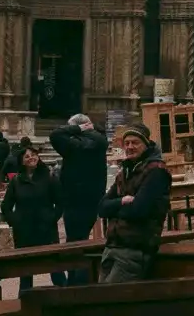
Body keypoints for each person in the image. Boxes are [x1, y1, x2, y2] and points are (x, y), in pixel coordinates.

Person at [97, 121, 172, 281]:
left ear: (146, 144)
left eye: (135, 143)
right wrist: (122, 201)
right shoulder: (123, 172)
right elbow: (102, 208)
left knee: (113, 295)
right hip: (112, 246)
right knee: (99, 293)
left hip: (135, 249)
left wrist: (115, 209)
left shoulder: (156, 172)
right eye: (127, 143)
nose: (130, 147)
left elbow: (139, 210)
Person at [49, 113, 108, 282]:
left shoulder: (74, 144)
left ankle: (76, 281)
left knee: (74, 241)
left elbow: (55, 134)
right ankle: (80, 279)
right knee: (81, 238)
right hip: (93, 198)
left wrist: (76, 129)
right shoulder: (100, 141)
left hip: (73, 198)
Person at [0, 144, 64, 292]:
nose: (31, 158)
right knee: (26, 275)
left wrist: (52, 218)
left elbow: (60, 202)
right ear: (21, 161)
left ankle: (64, 298)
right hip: (24, 233)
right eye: (27, 156)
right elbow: (6, 206)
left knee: (56, 270)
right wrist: (15, 221)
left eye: (33, 155)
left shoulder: (50, 177)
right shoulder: (16, 181)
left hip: (47, 230)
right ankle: (25, 301)